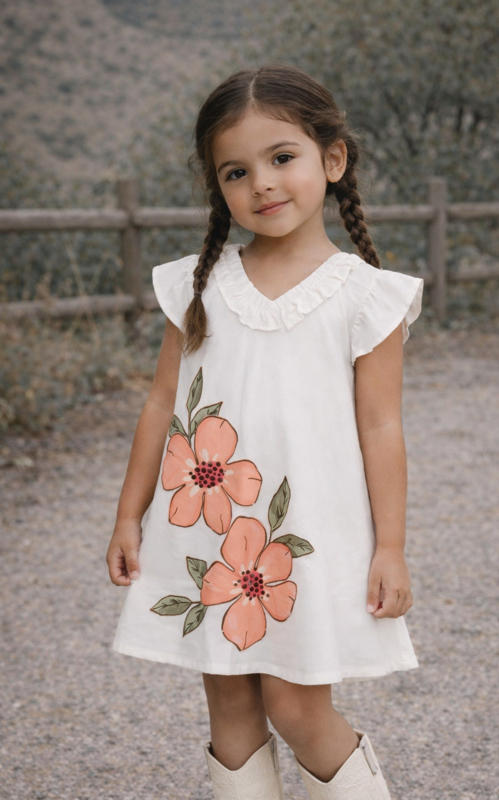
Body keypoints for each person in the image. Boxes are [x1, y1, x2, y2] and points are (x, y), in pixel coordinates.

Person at [107, 63, 423, 800]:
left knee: (295, 704)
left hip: (303, 536)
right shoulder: (197, 286)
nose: (262, 184)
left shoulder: (366, 297)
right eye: (236, 171)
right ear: (217, 186)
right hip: (209, 529)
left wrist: (391, 547)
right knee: (230, 704)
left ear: (332, 159)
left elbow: (382, 427)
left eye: (282, 157)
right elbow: (161, 404)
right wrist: (128, 514)